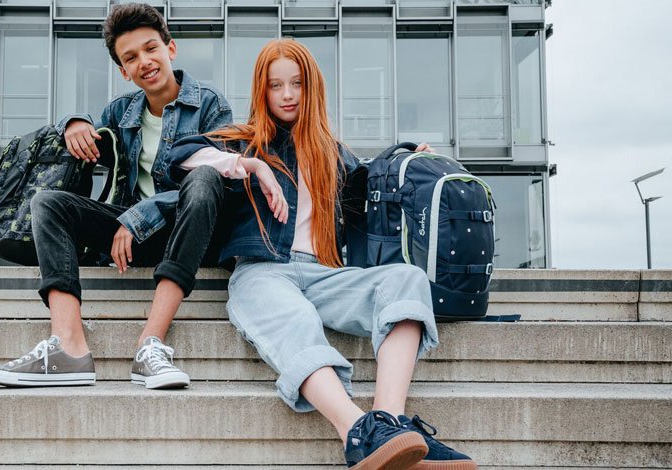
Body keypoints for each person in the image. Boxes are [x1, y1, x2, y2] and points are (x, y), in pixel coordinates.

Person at [167, 39, 476, 470]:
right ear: (263, 90)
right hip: (263, 271)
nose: (288, 94)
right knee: (295, 320)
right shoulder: (243, 141)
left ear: (312, 88)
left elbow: (376, 173)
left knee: (405, 279)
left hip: (325, 275)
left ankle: (391, 424)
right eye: (276, 85)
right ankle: (357, 431)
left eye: (296, 84)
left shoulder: (333, 154)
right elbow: (177, 156)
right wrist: (251, 166)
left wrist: (410, 154)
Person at [0, 3, 232, 390]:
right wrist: (72, 123)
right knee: (48, 203)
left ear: (171, 49)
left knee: (207, 176)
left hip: (189, 237)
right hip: (129, 241)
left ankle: (151, 344)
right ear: (122, 70)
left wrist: (139, 214)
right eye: (131, 57)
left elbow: (225, 178)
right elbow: (88, 133)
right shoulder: (120, 111)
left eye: (151, 49)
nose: (144, 61)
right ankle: (68, 346)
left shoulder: (210, 103)